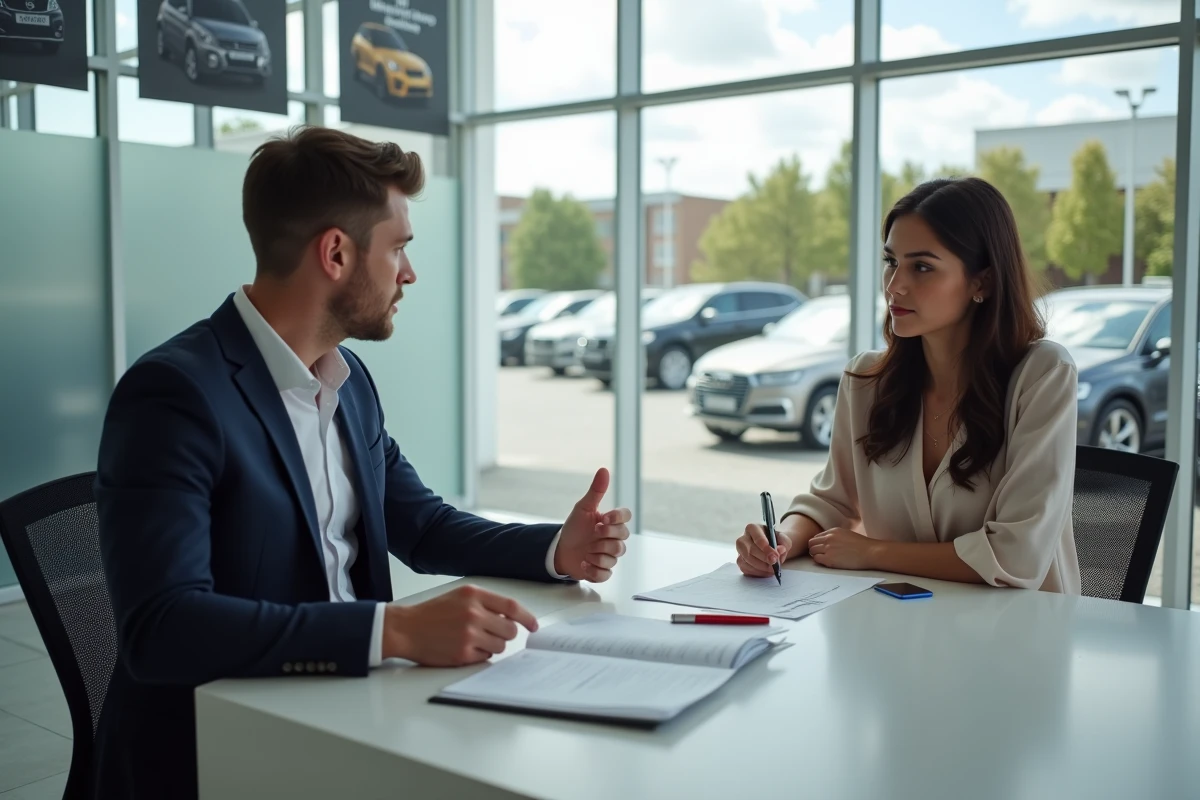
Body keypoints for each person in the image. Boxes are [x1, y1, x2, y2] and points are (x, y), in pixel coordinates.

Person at [93, 125, 632, 799]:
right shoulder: (175, 395)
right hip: (223, 753)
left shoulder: (350, 386)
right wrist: (395, 628)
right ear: (337, 254)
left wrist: (557, 548)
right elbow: (163, 628)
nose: (410, 272)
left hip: (354, 715)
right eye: (399, 247)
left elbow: (424, 526)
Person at [736, 177, 1080, 593]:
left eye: (922, 267)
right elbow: (833, 502)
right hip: (899, 628)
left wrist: (872, 552)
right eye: (891, 261)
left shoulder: (1043, 375)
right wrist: (784, 539)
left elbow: (1015, 555)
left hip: (1013, 636)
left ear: (982, 282)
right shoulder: (866, 382)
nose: (894, 284)